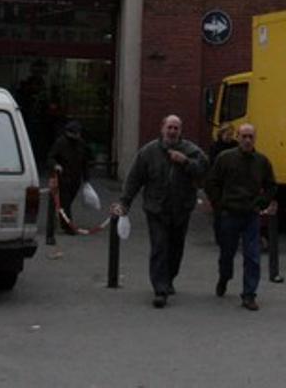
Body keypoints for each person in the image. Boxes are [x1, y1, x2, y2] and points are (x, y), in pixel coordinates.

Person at [111, 114, 208, 308]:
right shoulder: (148, 152)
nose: (172, 131)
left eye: (176, 128)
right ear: (162, 128)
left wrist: (186, 162)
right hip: (156, 209)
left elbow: (204, 170)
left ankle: (169, 278)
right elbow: (134, 179)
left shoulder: (191, 150)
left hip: (181, 208)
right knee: (160, 247)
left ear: (181, 131)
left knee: (175, 249)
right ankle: (160, 290)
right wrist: (124, 203)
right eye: (169, 127)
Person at [205, 123, 277, 311]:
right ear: (237, 137)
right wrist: (219, 206)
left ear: (255, 139)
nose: (247, 140)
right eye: (244, 136)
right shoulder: (225, 159)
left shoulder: (262, 161)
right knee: (227, 253)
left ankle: (249, 294)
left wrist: (261, 203)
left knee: (252, 256)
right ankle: (224, 276)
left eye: (250, 137)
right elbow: (212, 183)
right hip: (229, 214)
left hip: (250, 215)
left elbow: (271, 185)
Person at [47, 120, 92, 233]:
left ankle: (62, 218)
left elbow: (84, 162)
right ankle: (68, 226)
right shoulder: (60, 143)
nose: (77, 135)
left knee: (68, 201)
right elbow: (51, 157)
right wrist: (56, 165)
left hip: (76, 178)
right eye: (75, 133)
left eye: (78, 133)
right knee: (65, 202)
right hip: (63, 177)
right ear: (69, 132)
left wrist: (86, 179)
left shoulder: (81, 143)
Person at [208, 123, 239, 243]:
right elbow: (213, 165)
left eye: (231, 134)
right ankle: (220, 236)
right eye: (227, 134)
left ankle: (231, 235)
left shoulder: (235, 145)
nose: (229, 137)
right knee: (219, 212)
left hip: (233, 183)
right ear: (221, 134)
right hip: (220, 184)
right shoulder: (216, 147)